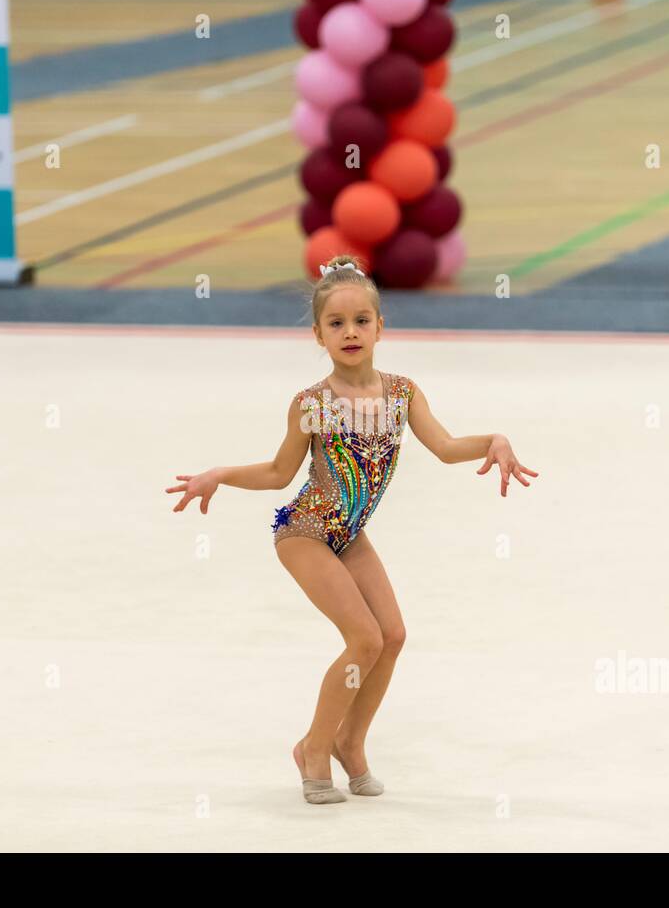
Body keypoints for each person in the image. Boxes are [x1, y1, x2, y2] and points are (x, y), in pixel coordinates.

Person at [165, 255, 538, 805]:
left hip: (349, 534)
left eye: (362, 320)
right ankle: (312, 748)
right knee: (363, 638)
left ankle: (350, 743)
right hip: (305, 532)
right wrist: (219, 474)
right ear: (318, 334)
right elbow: (277, 473)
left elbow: (445, 446)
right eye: (336, 324)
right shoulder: (311, 404)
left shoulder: (403, 393)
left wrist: (493, 441)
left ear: (381, 326)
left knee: (392, 637)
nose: (350, 332)